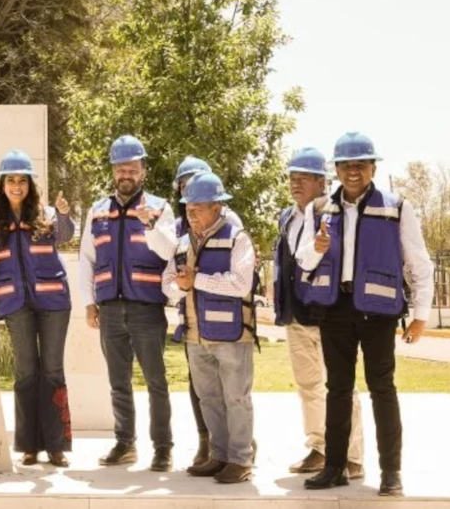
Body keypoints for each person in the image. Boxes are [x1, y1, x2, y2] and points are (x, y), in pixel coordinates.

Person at [296, 132, 434, 498]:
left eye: (360, 164)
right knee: (337, 390)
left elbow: (418, 263)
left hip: (378, 310)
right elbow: (303, 261)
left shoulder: (397, 207)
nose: (353, 171)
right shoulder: (320, 208)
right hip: (335, 309)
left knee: (382, 389)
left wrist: (421, 314)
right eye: (345, 165)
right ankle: (335, 468)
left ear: (373, 167)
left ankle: (391, 472)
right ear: (336, 170)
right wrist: (317, 247)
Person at [0, 150, 75, 467]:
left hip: (53, 302)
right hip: (15, 304)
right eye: (11, 180)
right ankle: (30, 445)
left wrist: (62, 215)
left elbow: (65, 234)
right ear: (2, 184)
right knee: (26, 372)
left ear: (30, 184)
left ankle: (57, 445)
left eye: (22, 180)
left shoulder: (46, 214)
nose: (17, 185)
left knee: (52, 370)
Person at [79, 137, 177, 471]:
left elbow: (168, 251)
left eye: (132, 169)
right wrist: (89, 303)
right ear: (113, 171)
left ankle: (163, 447)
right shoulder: (97, 210)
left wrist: (149, 223)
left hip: (146, 308)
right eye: (121, 168)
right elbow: (86, 260)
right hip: (109, 309)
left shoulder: (161, 207)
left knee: (156, 381)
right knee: (118, 382)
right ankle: (125, 443)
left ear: (143, 171)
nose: (126, 174)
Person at [273, 148, 364, 479]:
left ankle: (353, 456)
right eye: (292, 178)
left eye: (303, 178)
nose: (296, 184)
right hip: (296, 313)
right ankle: (319, 448)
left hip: (328, 313)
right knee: (308, 385)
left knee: (341, 386)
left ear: (321, 181)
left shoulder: (334, 213)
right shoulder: (286, 217)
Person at [165, 173, 257, 485]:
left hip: (232, 335)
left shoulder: (237, 238)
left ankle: (241, 459)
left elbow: (242, 284)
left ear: (217, 208)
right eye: (188, 208)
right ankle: (218, 455)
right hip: (194, 334)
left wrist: (197, 281)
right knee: (209, 399)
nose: (190, 214)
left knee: (236, 398)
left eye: (197, 208)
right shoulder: (180, 242)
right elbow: (169, 286)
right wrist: (179, 287)